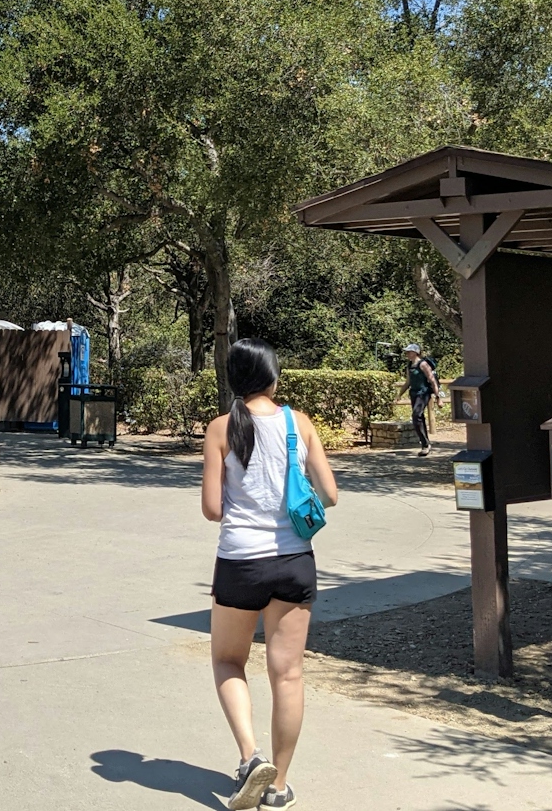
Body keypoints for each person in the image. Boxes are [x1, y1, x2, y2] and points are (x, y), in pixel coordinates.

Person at [201, 338, 338, 810]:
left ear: (234, 379)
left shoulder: (222, 428)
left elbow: (213, 509)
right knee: (288, 675)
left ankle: (249, 758)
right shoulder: (299, 424)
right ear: (274, 376)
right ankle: (279, 787)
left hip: (240, 561)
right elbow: (332, 495)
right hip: (295, 561)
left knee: (227, 661)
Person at [399, 343, 440, 456]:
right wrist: (399, 395)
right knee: (418, 418)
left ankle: (426, 444)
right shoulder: (409, 365)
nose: (407, 354)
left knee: (416, 415)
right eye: (406, 352)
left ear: (416, 352)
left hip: (423, 393)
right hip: (414, 393)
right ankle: (425, 443)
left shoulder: (423, 364)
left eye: (409, 352)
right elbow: (408, 382)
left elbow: (432, 380)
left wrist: (438, 397)